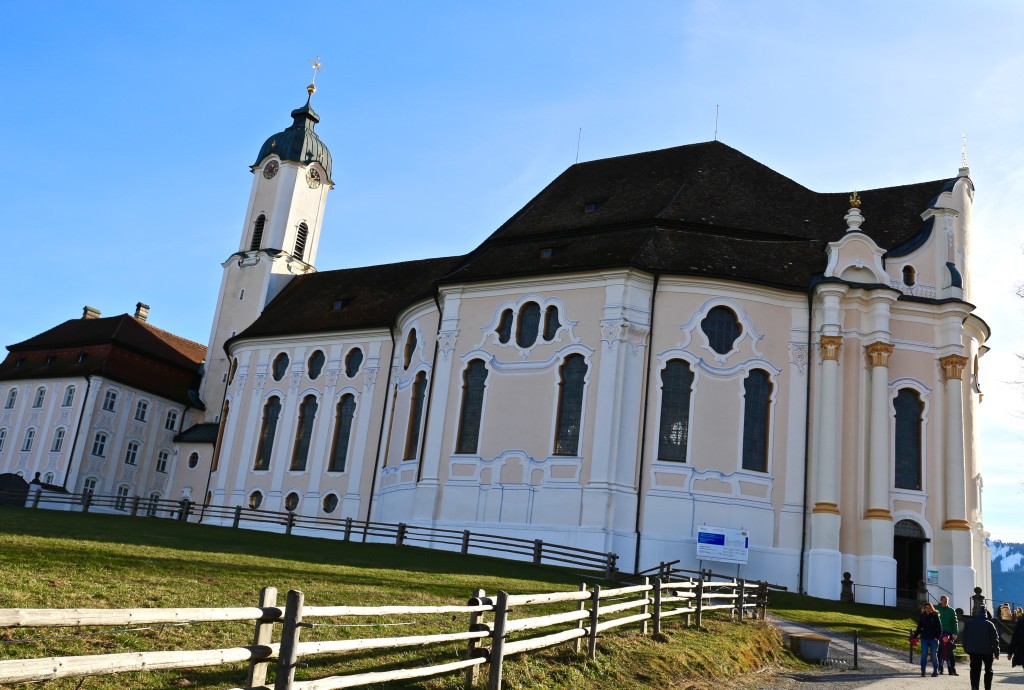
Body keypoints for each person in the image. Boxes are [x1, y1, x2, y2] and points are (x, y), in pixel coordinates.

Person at [962, 606, 1000, 690]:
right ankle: (987, 687)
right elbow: (995, 639)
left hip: (974, 651)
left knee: (975, 670)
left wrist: (966, 648)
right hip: (987, 651)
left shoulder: (969, 623)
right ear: (986, 614)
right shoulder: (990, 624)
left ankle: (975, 687)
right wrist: (996, 652)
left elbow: (964, 637)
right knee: (988, 670)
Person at [915, 602, 943, 677]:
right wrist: (914, 636)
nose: (927, 609)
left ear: (931, 608)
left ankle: (935, 671)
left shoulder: (935, 616)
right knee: (924, 655)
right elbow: (919, 627)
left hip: (933, 639)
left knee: (934, 655)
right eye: (926, 607)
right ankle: (923, 671)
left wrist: (937, 637)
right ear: (924, 608)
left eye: (929, 607)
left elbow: (940, 628)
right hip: (924, 638)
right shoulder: (922, 616)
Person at [936, 595, 959, 675]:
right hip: (939, 633)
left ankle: (951, 668)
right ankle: (940, 668)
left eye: (947, 601)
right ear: (941, 600)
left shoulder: (951, 610)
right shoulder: (936, 609)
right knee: (939, 651)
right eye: (944, 600)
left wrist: (955, 633)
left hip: (949, 633)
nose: (945, 602)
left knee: (951, 652)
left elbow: (955, 622)